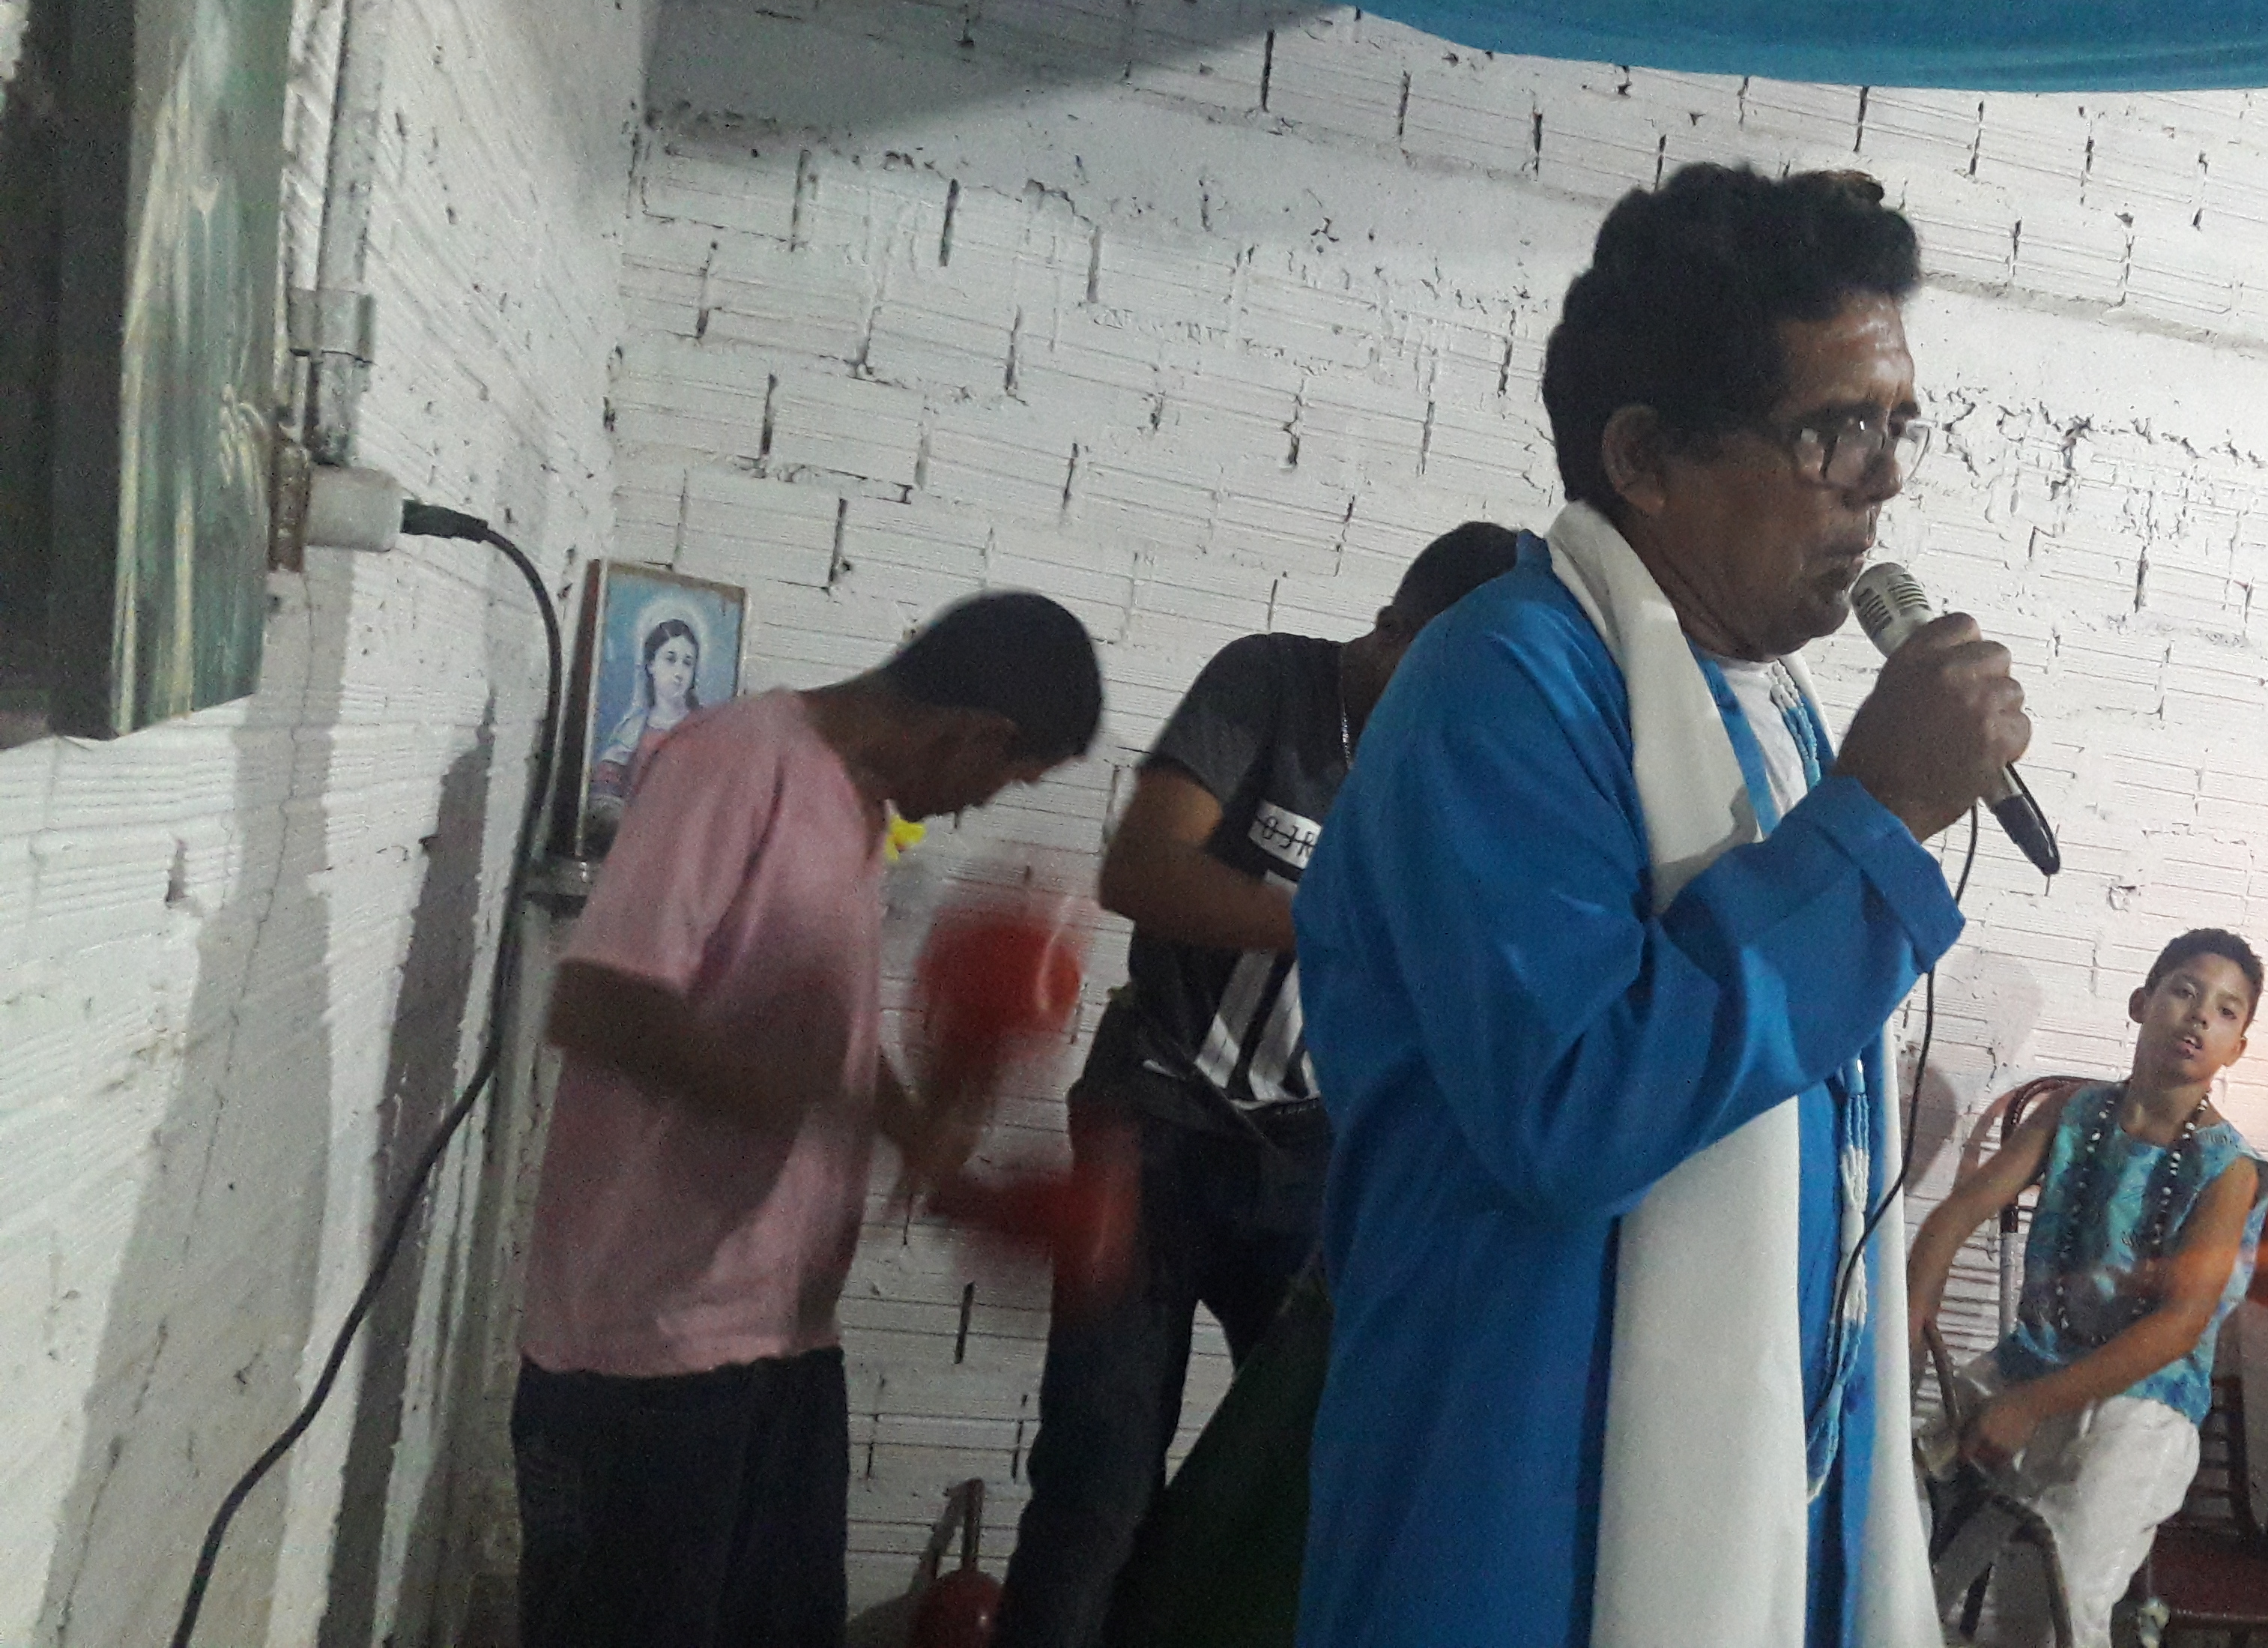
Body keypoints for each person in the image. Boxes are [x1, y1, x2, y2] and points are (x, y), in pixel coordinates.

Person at [1289, 164, 2029, 1648]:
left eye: (1899, 427)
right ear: (1643, 455)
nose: (1882, 479)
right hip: (1522, 1508)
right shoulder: (1505, 685)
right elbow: (1571, 1106)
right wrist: (1875, 820)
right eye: (1834, 429)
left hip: (1760, 1490)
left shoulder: (1772, 711)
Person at [513, 592, 1103, 1648]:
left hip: (784, 1334)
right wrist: (793, 1096)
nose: (979, 804)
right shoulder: (735, 760)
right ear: (980, 733)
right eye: (1007, 778)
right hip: (645, 1349)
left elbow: (830, 1047)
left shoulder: (859, 808)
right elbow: (596, 1001)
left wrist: (940, 1156)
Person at [992, 522, 1521, 1648]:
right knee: (1097, 1479)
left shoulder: (1464, 760)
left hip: (1316, 1152)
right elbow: (1141, 868)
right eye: (1441, 671)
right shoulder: (1268, 682)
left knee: (1316, 1473)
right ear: (1391, 629)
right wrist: (1342, 928)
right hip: (1155, 1118)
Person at [1908, 930, 2268, 1648]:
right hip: (2032, 1364)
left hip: (2142, 1406)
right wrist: (1914, 1318)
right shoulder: (2072, 1113)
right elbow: (1958, 1213)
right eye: (2184, 991)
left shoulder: (2229, 1170)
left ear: (2237, 1048)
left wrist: (2028, 1407)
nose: (2200, 1015)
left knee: (2061, 1591)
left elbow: (2180, 1324)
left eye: (2226, 1011)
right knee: (1897, 1494)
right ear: (2141, 1002)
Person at [587, 615, 704, 828]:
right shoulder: (633, 728)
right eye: (670, 659)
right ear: (651, 664)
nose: (679, 673)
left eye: (687, 663)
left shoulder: (706, 729)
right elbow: (605, 789)